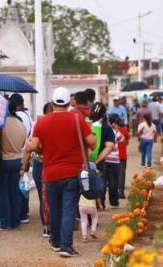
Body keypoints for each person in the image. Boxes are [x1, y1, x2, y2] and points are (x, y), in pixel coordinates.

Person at [28, 87, 96, 257]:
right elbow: (92, 143)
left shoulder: (43, 122)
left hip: (50, 173)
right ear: (68, 103)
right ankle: (66, 246)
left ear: (52, 103)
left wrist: (46, 151)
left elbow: (35, 146)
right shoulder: (77, 119)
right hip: (72, 173)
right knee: (68, 209)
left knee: (55, 209)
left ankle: (56, 241)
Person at [0, 102, 27, 230]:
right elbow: (24, 142)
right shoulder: (20, 124)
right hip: (17, 160)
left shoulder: (1, 124)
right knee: (15, 191)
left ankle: (5, 222)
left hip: (3, 160)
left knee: (3, 192)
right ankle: (15, 221)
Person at [21, 102, 53, 238]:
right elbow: (29, 148)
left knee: (46, 197)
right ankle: (47, 225)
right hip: (45, 164)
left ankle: (50, 225)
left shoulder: (38, 126)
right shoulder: (39, 126)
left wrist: (24, 167)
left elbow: (30, 148)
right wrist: (24, 166)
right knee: (45, 197)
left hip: (44, 164)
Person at [9, 93, 33, 224]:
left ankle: (21, 213)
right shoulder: (28, 116)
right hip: (26, 152)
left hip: (19, 152)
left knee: (18, 185)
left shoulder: (19, 117)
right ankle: (24, 211)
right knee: (23, 183)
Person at [89, 102, 115, 210]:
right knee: (99, 183)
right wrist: (98, 160)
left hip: (83, 160)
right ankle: (100, 204)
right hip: (98, 162)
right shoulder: (106, 128)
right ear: (104, 113)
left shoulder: (86, 124)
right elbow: (109, 147)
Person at [104, 114, 125, 209]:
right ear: (114, 123)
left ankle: (101, 202)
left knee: (103, 182)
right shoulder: (116, 132)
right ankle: (114, 202)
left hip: (104, 160)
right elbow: (122, 139)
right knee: (113, 183)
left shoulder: (105, 131)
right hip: (114, 161)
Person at [117, 118, 130, 199]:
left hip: (114, 156)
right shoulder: (125, 131)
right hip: (122, 155)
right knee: (122, 173)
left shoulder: (113, 130)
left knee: (115, 174)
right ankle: (121, 191)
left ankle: (115, 191)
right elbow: (127, 142)